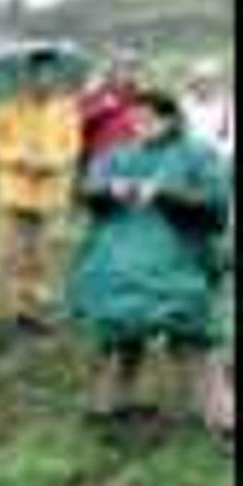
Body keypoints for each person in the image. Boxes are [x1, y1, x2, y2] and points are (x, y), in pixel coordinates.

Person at [66, 90, 234, 442]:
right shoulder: (117, 155)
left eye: (148, 119)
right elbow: (87, 194)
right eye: (134, 119)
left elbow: (214, 209)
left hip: (178, 262)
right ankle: (109, 405)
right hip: (118, 262)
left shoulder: (198, 155)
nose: (138, 125)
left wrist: (164, 194)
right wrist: (110, 191)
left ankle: (222, 417)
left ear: (170, 119)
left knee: (194, 333)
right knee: (120, 330)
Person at [0, 49, 83, 337]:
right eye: (38, 74)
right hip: (14, 193)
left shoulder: (66, 108)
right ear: (27, 76)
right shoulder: (6, 107)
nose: (44, 79)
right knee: (12, 255)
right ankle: (12, 315)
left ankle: (36, 314)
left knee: (43, 256)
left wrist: (53, 162)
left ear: (57, 76)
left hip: (50, 193)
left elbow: (73, 146)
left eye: (50, 74)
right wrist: (18, 157)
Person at [79, 47, 143, 170]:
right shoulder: (97, 91)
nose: (129, 73)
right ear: (113, 70)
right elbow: (80, 119)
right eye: (125, 68)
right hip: (101, 155)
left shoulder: (137, 94)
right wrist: (102, 108)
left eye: (133, 68)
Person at [181, 59, 235, 161]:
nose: (203, 86)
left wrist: (217, 151)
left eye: (208, 81)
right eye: (199, 81)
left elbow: (231, 140)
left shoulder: (229, 104)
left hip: (220, 158)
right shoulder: (186, 105)